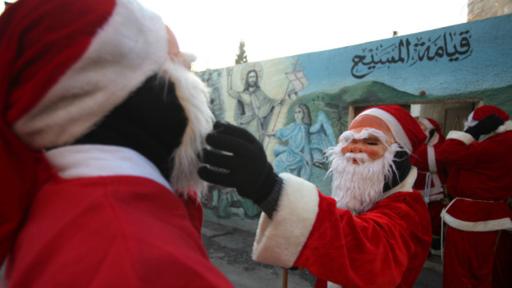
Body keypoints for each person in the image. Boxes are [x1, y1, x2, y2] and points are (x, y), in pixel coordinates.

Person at [0, 0, 232, 287]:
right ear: (124, 89)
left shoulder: (72, 205)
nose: (196, 86)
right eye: (177, 65)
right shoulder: (135, 256)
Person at [199, 105, 432, 287]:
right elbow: (338, 235)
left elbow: (367, 252)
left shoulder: (408, 210)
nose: (354, 149)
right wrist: (300, 244)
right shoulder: (361, 201)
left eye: (371, 142)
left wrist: (270, 189)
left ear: (399, 155)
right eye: (348, 141)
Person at [436, 105, 512, 288]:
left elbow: (446, 153)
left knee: (463, 271)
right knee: (486, 269)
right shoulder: (499, 142)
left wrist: (473, 131)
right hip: (489, 214)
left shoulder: (500, 143)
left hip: (473, 218)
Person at [411, 116, 448, 255]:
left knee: (435, 217)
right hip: (415, 183)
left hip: (435, 185)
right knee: (417, 216)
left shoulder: (441, 145)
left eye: (422, 127)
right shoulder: (414, 143)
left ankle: (435, 245)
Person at [271, 104, 335, 180]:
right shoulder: (293, 125)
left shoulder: (304, 128)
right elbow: (282, 132)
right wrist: (270, 133)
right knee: (277, 162)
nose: (297, 115)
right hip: (290, 154)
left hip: (298, 157)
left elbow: (306, 146)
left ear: (304, 114)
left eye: (299, 112)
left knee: (280, 164)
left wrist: (308, 160)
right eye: (295, 112)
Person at [228, 68, 280, 142]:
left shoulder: (260, 92)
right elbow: (230, 91)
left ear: (256, 78)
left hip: (256, 124)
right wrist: (229, 75)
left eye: (254, 77)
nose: (252, 79)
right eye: (250, 77)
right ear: (247, 79)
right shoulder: (243, 94)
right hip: (246, 123)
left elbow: (270, 102)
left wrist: (280, 100)